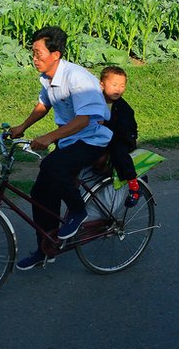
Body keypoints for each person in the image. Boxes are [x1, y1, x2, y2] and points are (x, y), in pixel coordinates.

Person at [9, 26, 112, 270]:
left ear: (55, 54)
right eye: (32, 53)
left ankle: (78, 212)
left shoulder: (77, 78)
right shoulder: (48, 77)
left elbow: (83, 119)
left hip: (92, 140)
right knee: (40, 193)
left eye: (38, 53)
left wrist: (48, 137)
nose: (34, 59)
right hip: (70, 141)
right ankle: (46, 248)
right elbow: (43, 104)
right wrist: (22, 126)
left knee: (52, 164)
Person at [99, 65, 141, 208]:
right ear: (101, 84)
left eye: (122, 86)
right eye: (114, 84)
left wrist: (106, 123)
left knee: (118, 152)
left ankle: (134, 184)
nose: (118, 89)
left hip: (122, 138)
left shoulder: (123, 108)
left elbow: (122, 129)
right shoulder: (94, 100)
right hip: (102, 136)